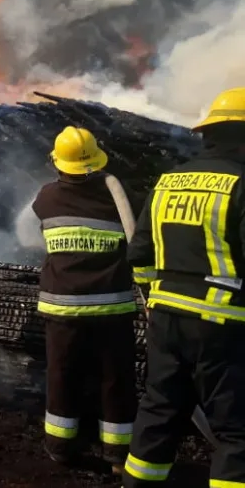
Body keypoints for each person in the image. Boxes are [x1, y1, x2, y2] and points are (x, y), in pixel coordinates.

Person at [123, 88, 245, 487]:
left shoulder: (168, 181)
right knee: (236, 431)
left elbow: (139, 255)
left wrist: (150, 301)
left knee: (159, 413)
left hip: (166, 320)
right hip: (222, 327)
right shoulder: (242, 183)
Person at [31, 126, 138, 472]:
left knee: (62, 375)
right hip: (112, 308)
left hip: (62, 309)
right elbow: (137, 237)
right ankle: (118, 454)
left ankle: (60, 448)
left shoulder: (46, 198)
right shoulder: (116, 195)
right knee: (116, 380)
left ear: (59, 164)